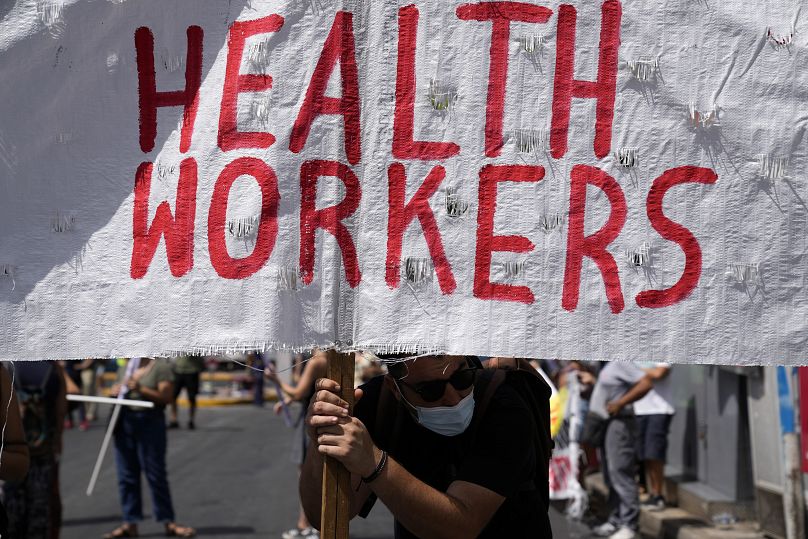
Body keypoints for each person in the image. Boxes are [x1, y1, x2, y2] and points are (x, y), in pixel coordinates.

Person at [299, 354, 552, 538]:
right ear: (395, 389)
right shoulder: (376, 403)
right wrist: (321, 437)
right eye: (431, 390)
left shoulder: (505, 406)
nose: (453, 397)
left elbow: (461, 527)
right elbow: (325, 516)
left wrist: (375, 463)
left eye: (462, 377)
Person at [105, 357, 195, 538]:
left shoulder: (160, 367)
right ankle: (130, 522)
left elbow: (167, 397)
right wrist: (114, 392)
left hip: (149, 422)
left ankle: (168, 520)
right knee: (126, 476)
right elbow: (117, 390)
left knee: (155, 474)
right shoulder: (126, 367)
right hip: (125, 423)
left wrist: (141, 389)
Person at [266, 350, 327, 539]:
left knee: (309, 474)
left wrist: (276, 380)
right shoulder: (318, 358)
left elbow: (300, 390)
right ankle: (304, 523)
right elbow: (305, 390)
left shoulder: (317, 360)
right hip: (312, 415)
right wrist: (287, 399)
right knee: (307, 472)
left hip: (312, 419)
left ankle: (312, 524)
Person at [589, 362, 654, 539]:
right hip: (607, 423)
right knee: (611, 475)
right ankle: (617, 519)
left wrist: (621, 402)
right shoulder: (608, 364)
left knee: (620, 472)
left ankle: (629, 524)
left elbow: (646, 382)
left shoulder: (621, 362)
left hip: (620, 422)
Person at [3, 360, 66, 539]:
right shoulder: (53, 369)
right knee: (40, 511)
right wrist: (57, 440)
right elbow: (61, 409)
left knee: (12, 510)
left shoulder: (8, 366)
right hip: (43, 449)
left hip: (11, 451)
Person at [633, 363, 674, 510]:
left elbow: (659, 374)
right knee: (644, 454)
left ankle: (658, 495)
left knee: (654, 453)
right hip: (639, 409)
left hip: (659, 409)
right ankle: (652, 493)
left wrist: (634, 369)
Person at [168, 355, 205, 429]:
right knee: (173, 396)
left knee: (192, 397)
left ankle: (191, 420)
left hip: (192, 371)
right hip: (178, 370)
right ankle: (174, 420)